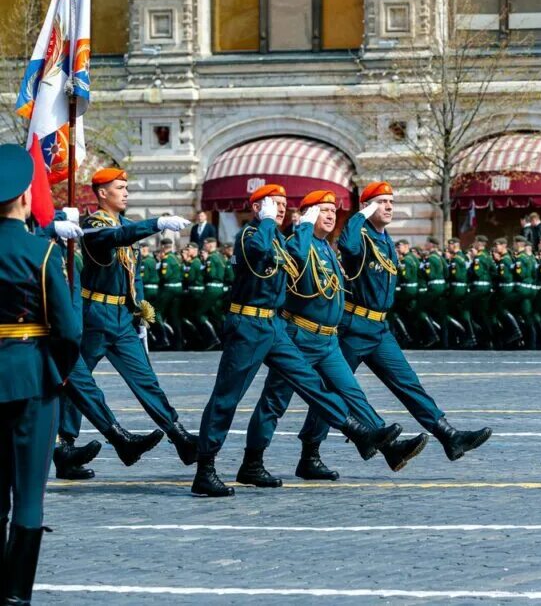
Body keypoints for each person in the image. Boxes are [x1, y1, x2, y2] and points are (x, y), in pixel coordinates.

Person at [192, 184, 403, 497]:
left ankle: (357, 431)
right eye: (271, 204)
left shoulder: (279, 237)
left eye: (281, 204)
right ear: (256, 209)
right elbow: (261, 251)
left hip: (274, 325)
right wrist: (271, 222)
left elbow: (298, 257)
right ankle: (205, 469)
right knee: (227, 398)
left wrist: (299, 227)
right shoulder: (251, 234)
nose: (279, 209)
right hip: (248, 324)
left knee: (311, 383)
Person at [245, 190, 429, 483]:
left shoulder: (326, 247)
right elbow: (298, 259)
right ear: (308, 214)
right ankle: (252, 462)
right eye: (323, 210)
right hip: (298, 335)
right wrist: (303, 226)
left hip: (328, 339)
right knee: (274, 401)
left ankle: (387, 446)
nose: (331, 215)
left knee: (350, 391)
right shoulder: (300, 241)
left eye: (333, 211)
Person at [322, 181, 492, 461]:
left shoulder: (385, 237)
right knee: (337, 390)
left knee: (408, 382)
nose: (388, 206)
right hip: (353, 328)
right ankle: (310, 451)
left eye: (391, 202)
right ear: (367, 207)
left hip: (378, 328)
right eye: (381, 202)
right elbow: (347, 246)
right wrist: (361, 214)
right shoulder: (361, 234)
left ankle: (448, 435)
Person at [62, 168, 199, 469]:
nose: (126, 193)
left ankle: (179, 436)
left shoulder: (126, 225)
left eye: (126, 187)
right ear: (101, 193)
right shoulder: (94, 225)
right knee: (77, 380)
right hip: (93, 315)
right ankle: (66, 447)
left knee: (145, 379)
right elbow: (116, 237)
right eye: (120, 187)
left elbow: (132, 271)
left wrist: (138, 309)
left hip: (122, 317)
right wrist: (157, 223)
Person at [0, 144, 81, 604]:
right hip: (33, 375)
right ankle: (16, 596)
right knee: (28, 492)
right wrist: (59, 373)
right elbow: (69, 331)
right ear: (26, 199)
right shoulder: (43, 252)